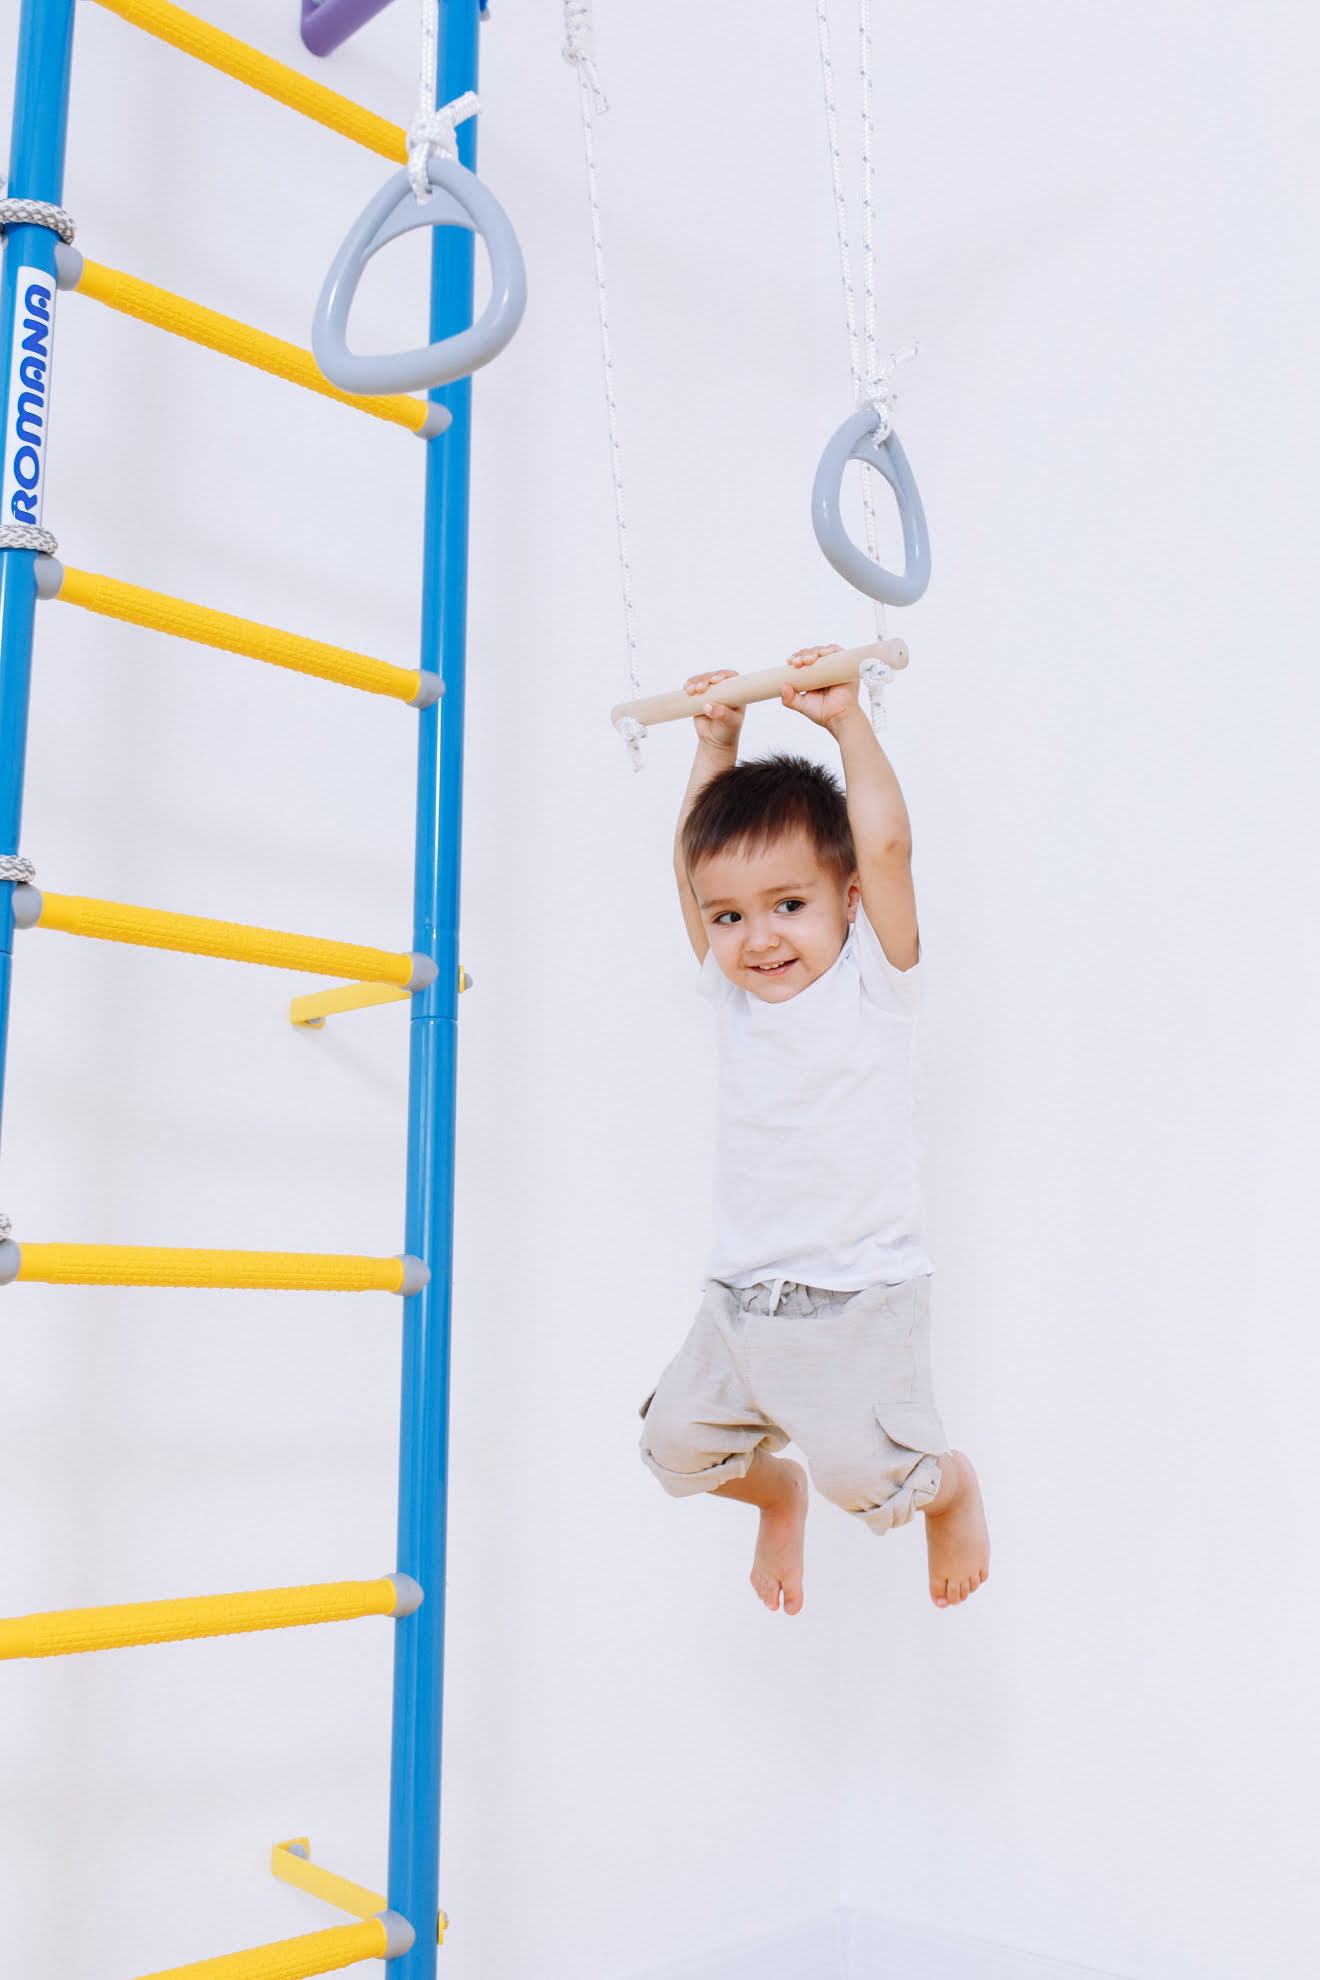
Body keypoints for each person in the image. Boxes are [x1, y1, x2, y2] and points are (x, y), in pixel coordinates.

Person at [639, 647, 990, 1614]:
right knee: (673, 1446)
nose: (758, 938)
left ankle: (952, 1486)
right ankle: (774, 1493)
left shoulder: (876, 981)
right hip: (739, 1299)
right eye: (731, 917)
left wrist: (848, 724)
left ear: (847, 901)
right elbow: (693, 869)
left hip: (859, 1297)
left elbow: (887, 849)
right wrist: (714, 746)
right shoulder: (732, 993)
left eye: (789, 905)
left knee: (871, 1482)